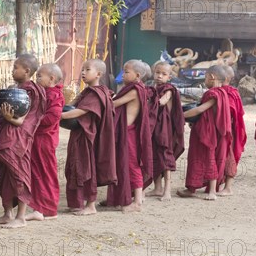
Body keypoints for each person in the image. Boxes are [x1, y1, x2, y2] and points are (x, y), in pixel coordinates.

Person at [0, 54, 46, 228]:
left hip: (18, 139)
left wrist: (9, 117)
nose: (12, 70)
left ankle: (21, 217)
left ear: (27, 71)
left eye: (16, 67)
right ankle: (8, 213)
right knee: (5, 174)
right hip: (8, 135)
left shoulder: (29, 91)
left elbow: (22, 121)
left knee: (19, 175)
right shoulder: (17, 89)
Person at [61, 59, 116, 215]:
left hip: (87, 137)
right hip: (78, 134)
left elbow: (81, 111)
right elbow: (73, 103)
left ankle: (90, 205)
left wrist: (60, 115)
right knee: (75, 167)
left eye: (87, 69)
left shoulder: (96, 93)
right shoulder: (87, 91)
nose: (83, 72)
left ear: (98, 74)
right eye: (82, 69)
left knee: (85, 169)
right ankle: (76, 203)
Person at [177, 65, 231, 201]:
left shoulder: (212, 93)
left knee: (208, 157)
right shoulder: (223, 92)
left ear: (212, 77)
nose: (205, 80)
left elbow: (200, 110)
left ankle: (212, 191)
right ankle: (192, 187)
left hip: (207, 131)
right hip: (212, 129)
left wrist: (180, 116)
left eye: (206, 77)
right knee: (200, 157)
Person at [106, 60, 155, 212]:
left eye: (127, 72)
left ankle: (138, 202)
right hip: (125, 132)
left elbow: (113, 104)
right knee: (122, 164)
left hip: (129, 133)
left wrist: (101, 96)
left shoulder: (135, 90)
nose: (123, 74)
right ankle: (122, 197)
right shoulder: (130, 88)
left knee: (133, 165)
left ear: (138, 75)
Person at [25, 63, 65, 221]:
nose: (37, 78)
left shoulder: (54, 95)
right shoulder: (45, 93)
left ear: (52, 79)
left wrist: (31, 119)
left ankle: (44, 208)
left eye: (40, 76)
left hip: (44, 139)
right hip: (38, 138)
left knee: (44, 173)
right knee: (38, 172)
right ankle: (42, 208)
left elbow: (52, 117)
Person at [144, 61, 184, 201]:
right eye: (157, 72)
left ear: (170, 77)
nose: (160, 76)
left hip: (165, 130)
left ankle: (167, 191)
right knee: (154, 155)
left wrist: (146, 101)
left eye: (164, 74)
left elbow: (161, 102)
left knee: (166, 157)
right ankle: (157, 188)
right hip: (154, 126)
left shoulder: (169, 89)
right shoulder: (152, 88)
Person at [218, 65, 247, 196]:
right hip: (220, 130)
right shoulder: (222, 91)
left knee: (229, 157)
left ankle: (228, 187)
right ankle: (217, 184)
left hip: (228, 131)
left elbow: (231, 112)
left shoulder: (229, 92)